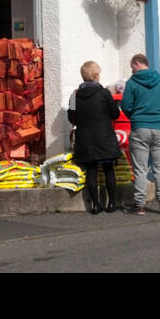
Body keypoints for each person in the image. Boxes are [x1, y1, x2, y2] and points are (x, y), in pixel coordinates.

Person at [121, 52, 160, 215]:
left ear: (137, 64)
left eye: (132, 67)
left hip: (139, 129)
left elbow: (125, 106)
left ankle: (139, 206)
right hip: (159, 129)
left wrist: (137, 116)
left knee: (140, 170)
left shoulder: (132, 83)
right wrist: (156, 112)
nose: (131, 71)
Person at [68, 60, 122, 214]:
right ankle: (111, 204)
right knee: (108, 170)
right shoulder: (104, 93)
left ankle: (96, 205)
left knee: (91, 171)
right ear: (96, 76)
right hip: (104, 138)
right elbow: (115, 114)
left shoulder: (74, 95)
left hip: (85, 140)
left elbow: (72, 118)